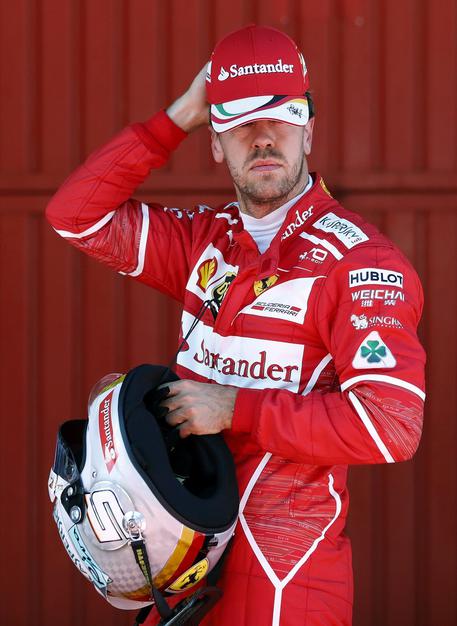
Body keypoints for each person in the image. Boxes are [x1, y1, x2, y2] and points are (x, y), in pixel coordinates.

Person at [46, 24, 425, 626]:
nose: (264, 137)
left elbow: (391, 426)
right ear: (216, 142)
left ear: (309, 130)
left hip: (285, 578)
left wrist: (233, 408)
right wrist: (176, 117)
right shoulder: (204, 240)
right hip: (182, 562)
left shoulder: (361, 264)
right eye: (242, 123)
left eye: (282, 118)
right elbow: (75, 215)